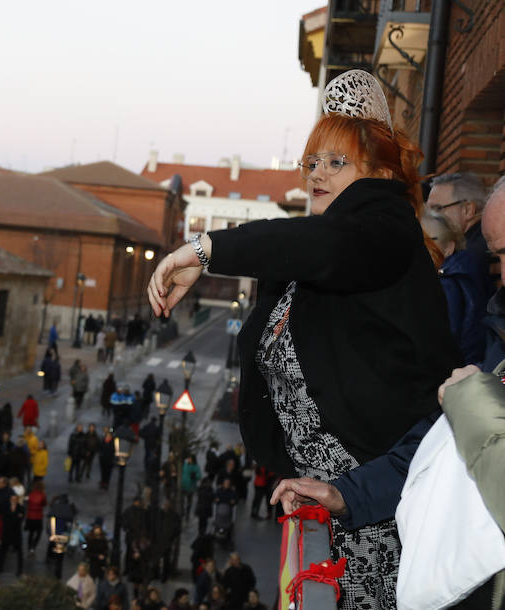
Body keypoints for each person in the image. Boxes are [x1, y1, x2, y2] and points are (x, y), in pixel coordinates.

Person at [147, 70, 459, 609]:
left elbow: (329, 247)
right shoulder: (319, 245)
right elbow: (306, 248)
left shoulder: (383, 230)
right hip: (322, 504)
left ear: (380, 171)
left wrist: (203, 250)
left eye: (337, 162)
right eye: (311, 161)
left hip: (380, 507)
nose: (317, 174)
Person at [421, 211, 486, 364]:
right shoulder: (463, 274)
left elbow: (440, 342)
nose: (422, 247)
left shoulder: (447, 284)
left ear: (449, 248)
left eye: (429, 240)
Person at [427, 172, 495, 297]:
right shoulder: (474, 244)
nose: (430, 217)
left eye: (437, 208)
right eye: (428, 210)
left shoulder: (474, 254)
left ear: (468, 210)